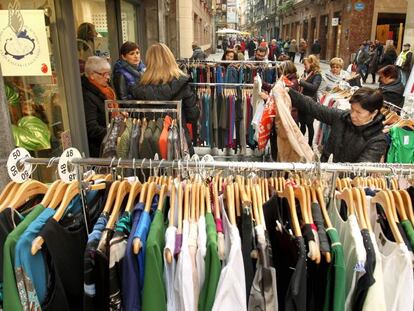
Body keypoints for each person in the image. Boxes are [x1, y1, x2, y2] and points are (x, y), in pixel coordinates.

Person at [130, 43, 200, 154]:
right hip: (178, 140)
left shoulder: (139, 87)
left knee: (153, 170)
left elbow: (135, 115)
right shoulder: (181, 83)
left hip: (149, 140)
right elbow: (193, 115)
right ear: (170, 58)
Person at [288, 87, 387, 162]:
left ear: (373, 113)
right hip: (323, 171)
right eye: (352, 109)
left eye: (358, 112)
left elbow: (360, 170)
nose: (353, 115)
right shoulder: (342, 117)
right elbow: (314, 108)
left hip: (345, 185)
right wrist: (288, 91)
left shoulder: (377, 140)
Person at [82, 56, 115, 157]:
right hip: (98, 150)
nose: (108, 77)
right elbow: (92, 128)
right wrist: (114, 134)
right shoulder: (87, 95)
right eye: (104, 74)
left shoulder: (106, 89)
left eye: (108, 73)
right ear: (92, 75)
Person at [298, 55, 322, 146]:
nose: (304, 66)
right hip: (302, 101)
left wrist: (302, 82)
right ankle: (300, 143)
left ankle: (310, 144)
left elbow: (314, 88)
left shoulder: (317, 75)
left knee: (309, 124)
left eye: (305, 64)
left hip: (310, 103)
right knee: (302, 124)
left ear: (312, 63)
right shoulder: (306, 72)